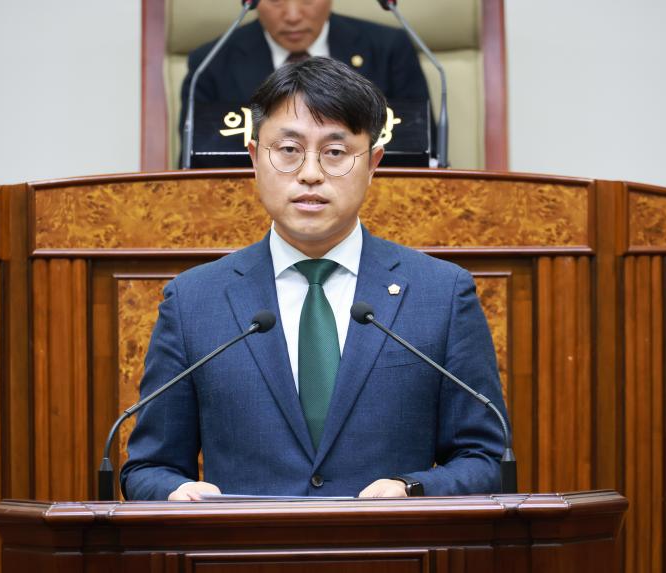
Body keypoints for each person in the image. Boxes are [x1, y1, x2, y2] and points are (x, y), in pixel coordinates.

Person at [122, 57, 507, 501]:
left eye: (335, 152)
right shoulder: (193, 301)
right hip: (243, 542)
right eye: (288, 150)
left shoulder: (440, 294)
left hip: (388, 540)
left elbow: (485, 459)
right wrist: (177, 493)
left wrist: (412, 489)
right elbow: (149, 467)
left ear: (373, 163)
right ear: (254, 158)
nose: (310, 173)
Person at [178, 0, 431, 155]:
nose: (293, 15)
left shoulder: (389, 49)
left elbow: (424, 147)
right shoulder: (210, 62)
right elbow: (193, 162)